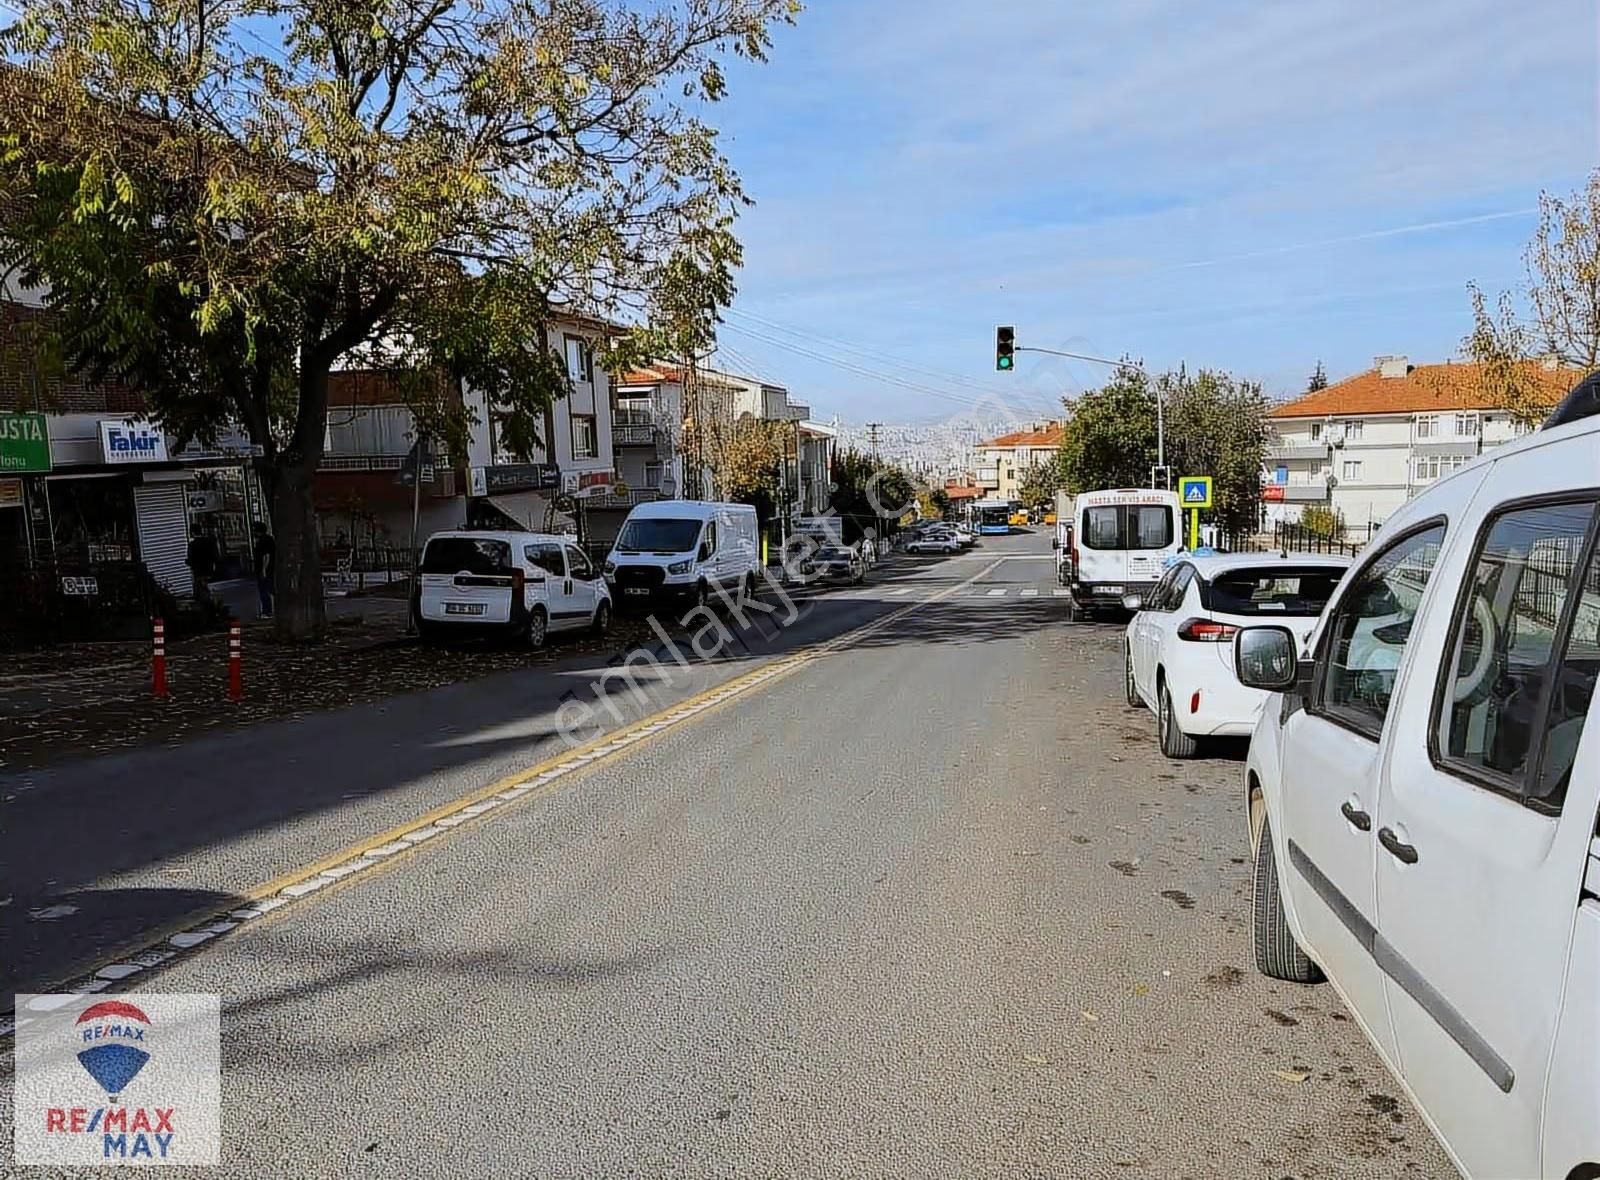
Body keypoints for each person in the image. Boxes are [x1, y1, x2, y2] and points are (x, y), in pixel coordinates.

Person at [253, 520, 276, 619]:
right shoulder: (269, 539)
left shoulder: (263, 541)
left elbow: (266, 556)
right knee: (270, 589)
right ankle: (268, 611)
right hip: (268, 569)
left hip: (265, 570)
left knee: (265, 591)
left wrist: (263, 570)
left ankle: (267, 612)